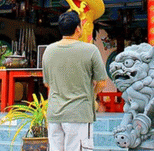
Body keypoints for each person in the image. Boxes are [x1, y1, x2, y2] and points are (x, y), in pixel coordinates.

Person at [42, 11, 107, 151]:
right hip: (79, 114)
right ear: (78, 29)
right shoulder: (90, 50)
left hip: (54, 115)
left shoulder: (49, 51)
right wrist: (92, 94)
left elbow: (47, 83)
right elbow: (102, 82)